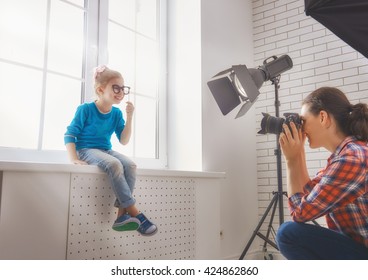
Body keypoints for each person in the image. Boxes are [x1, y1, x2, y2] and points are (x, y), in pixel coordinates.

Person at [64, 65, 157, 236]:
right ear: (100, 89)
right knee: (114, 164)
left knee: (131, 165)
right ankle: (135, 212)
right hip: (86, 149)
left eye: (123, 88)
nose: (121, 92)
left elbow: (123, 140)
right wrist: (73, 158)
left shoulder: (116, 113)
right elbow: (70, 135)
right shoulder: (85, 109)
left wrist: (129, 117)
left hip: (105, 150)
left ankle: (121, 216)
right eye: (116, 88)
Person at [276, 86, 368, 259]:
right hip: (358, 246)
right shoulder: (345, 155)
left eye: (303, 121)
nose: (301, 129)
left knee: (288, 234)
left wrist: (291, 161)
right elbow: (308, 194)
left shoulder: (350, 159)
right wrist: (298, 153)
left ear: (323, 117)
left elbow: (300, 213)